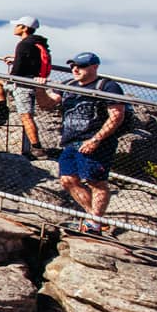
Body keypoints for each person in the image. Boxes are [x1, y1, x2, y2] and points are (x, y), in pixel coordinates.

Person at [37, 52, 126, 232]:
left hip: (96, 142)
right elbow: (48, 104)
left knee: (96, 182)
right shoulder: (68, 85)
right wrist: (39, 90)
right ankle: (95, 220)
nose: (75, 69)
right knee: (67, 180)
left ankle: (94, 223)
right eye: (72, 66)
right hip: (71, 141)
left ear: (94, 67)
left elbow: (116, 116)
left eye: (81, 66)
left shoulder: (107, 86)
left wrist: (96, 139)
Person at [0, 16, 51, 159]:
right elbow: (32, 61)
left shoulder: (24, 44)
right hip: (31, 81)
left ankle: (37, 148)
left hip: (22, 83)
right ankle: (2, 107)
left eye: (18, 25)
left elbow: (19, 68)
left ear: (24, 28)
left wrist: (12, 78)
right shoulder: (37, 43)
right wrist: (15, 58)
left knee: (26, 116)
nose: (15, 27)